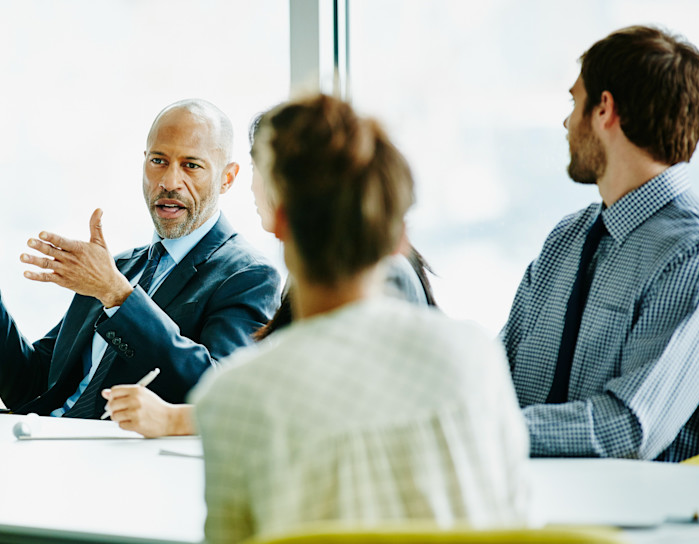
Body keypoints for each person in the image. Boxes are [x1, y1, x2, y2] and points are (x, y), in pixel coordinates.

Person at [192, 93, 530, 544]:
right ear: (399, 237)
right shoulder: (477, 357)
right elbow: (517, 522)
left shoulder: (235, 399)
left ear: (280, 220)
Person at [0, 99, 280, 419]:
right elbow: (31, 386)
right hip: (47, 445)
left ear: (227, 179)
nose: (169, 181)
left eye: (191, 165)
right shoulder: (117, 268)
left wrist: (118, 296)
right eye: (158, 161)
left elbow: (218, 395)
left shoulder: (247, 275)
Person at [102, 113, 439, 438]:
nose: (252, 186)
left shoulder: (379, 273)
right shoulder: (318, 272)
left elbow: (321, 406)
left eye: (258, 168)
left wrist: (173, 419)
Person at [502, 25, 699, 462]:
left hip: (636, 524)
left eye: (574, 102)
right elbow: (497, 376)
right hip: (529, 504)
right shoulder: (565, 241)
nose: (566, 123)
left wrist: (485, 433)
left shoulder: (697, 255)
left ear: (605, 110)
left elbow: (629, 428)